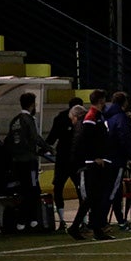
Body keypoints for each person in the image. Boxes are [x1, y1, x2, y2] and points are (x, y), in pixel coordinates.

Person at [68, 89, 115, 241]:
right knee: (92, 197)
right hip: (93, 164)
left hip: (98, 162)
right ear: (101, 100)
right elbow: (86, 140)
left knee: (95, 198)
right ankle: (78, 227)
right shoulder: (91, 117)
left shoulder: (97, 116)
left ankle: (93, 229)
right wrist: (95, 157)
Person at [5, 92, 54, 231]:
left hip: (17, 161)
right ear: (32, 104)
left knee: (21, 189)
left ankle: (21, 220)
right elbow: (35, 138)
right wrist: (48, 148)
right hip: (29, 160)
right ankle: (32, 219)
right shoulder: (28, 119)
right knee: (32, 189)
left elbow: (9, 141)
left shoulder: (15, 120)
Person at [45, 96, 84, 230]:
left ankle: (62, 220)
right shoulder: (85, 120)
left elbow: (51, 138)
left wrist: (45, 148)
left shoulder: (60, 118)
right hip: (77, 159)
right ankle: (83, 220)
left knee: (58, 188)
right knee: (81, 189)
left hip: (62, 158)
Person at [104, 91, 131, 231]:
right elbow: (124, 139)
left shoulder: (106, 116)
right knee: (114, 191)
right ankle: (105, 221)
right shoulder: (120, 118)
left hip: (106, 158)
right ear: (124, 102)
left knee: (111, 190)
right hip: (116, 159)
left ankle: (113, 220)